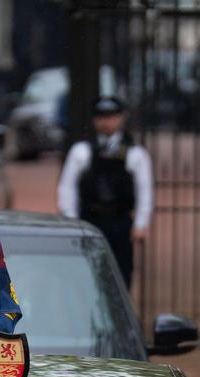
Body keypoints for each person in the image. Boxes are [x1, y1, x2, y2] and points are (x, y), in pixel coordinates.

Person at [56, 96, 153, 287]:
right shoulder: (81, 151)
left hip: (120, 221)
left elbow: (145, 190)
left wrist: (141, 223)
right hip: (90, 219)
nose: (106, 122)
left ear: (121, 118)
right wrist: (72, 220)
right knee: (89, 273)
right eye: (101, 117)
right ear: (94, 120)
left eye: (111, 117)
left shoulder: (135, 153)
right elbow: (67, 188)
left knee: (121, 274)